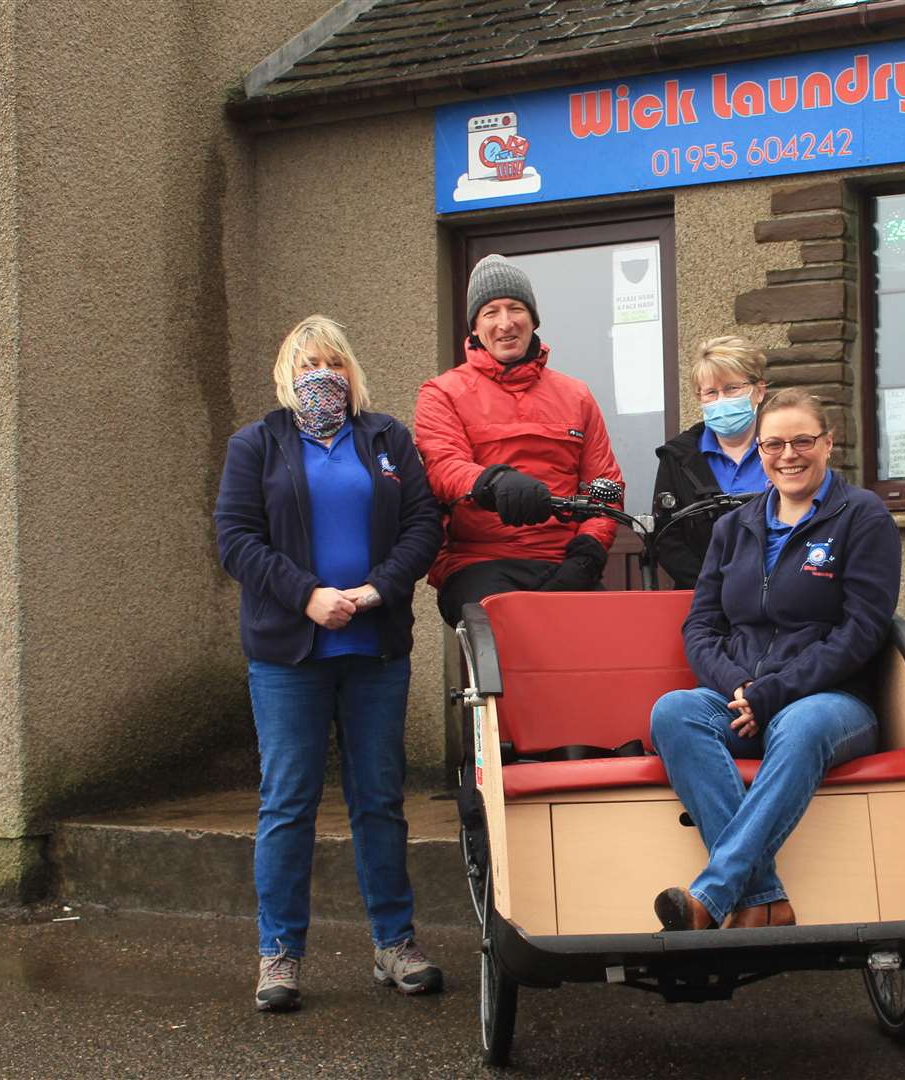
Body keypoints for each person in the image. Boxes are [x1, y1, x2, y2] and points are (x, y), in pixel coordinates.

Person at [214, 315, 444, 1012]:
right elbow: (235, 539)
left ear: (350, 372)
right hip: (290, 654)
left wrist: (377, 590)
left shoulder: (386, 440)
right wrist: (307, 596)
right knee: (288, 803)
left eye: (333, 362)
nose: (322, 374)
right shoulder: (257, 445)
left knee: (379, 800)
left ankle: (394, 944)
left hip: (373, 651)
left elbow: (424, 526)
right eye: (307, 362)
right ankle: (279, 955)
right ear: (287, 374)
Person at [649, 388, 902, 931]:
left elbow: (862, 630)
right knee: (675, 711)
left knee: (800, 723)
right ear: (759, 451)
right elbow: (700, 626)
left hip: (831, 703)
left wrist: (776, 691)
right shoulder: (733, 527)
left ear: (828, 444)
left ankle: (711, 897)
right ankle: (764, 895)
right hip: (745, 698)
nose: (788, 455)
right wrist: (739, 685)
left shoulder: (863, 517)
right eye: (774, 444)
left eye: (802, 441)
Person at [414, 254, 624, 627]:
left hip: (563, 562)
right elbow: (443, 467)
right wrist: (491, 481)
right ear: (475, 328)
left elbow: (604, 486)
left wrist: (587, 554)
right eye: (491, 312)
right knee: (513, 644)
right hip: (479, 563)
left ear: (533, 319)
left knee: (610, 646)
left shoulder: (576, 395)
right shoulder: (441, 393)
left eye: (515, 308)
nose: (505, 323)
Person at [652, 336, 768, 588]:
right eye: (711, 392)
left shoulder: (784, 449)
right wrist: (712, 586)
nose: (721, 400)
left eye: (731, 389)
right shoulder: (678, 457)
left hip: (782, 597)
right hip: (704, 599)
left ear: (759, 391)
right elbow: (666, 537)